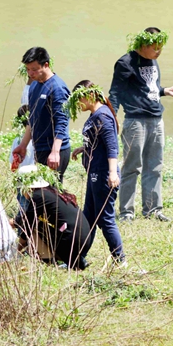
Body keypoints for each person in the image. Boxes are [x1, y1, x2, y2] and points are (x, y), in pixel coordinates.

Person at [108, 27, 173, 222]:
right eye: (155, 48)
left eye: (161, 48)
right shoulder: (125, 63)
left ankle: (153, 209)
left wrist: (167, 91)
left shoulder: (153, 61)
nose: (158, 52)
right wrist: (111, 119)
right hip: (135, 121)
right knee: (132, 167)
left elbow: (149, 89)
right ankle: (126, 212)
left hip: (156, 119)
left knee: (155, 166)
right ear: (143, 44)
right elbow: (115, 93)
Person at [68, 81, 125, 264]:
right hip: (95, 173)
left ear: (91, 95)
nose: (78, 104)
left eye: (79, 99)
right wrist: (82, 149)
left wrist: (112, 173)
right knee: (89, 219)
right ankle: (77, 258)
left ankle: (120, 259)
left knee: (105, 219)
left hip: (103, 175)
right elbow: (97, 142)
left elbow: (111, 147)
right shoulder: (95, 115)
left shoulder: (103, 116)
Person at [13, 165, 93, 270]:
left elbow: (27, 225)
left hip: (71, 241)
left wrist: (16, 251)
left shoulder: (38, 196)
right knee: (39, 223)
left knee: (35, 228)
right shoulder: (52, 191)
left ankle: (50, 260)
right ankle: (75, 260)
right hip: (84, 240)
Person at [12, 47, 72, 181]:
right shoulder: (34, 86)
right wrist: (23, 145)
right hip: (40, 149)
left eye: (34, 69)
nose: (30, 73)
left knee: (52, 194)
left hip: (55, 150)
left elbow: (62, 122)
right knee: (40, 193)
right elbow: (32, 119)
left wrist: (55, 152)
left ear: (46, 65)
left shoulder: (57, 88)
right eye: (27, 69)